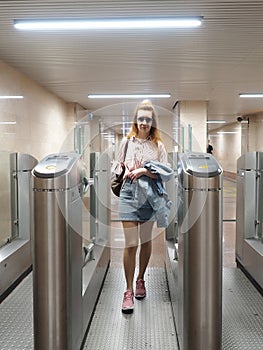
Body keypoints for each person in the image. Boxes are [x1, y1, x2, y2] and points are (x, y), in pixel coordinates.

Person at [115, 100, 173, 313]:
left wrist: (144, 172)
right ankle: (128, 290)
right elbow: (117, 166)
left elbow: (166, 172)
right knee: (130, 244)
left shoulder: (158, 145)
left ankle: (141, 280)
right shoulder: (126, 142)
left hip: (149, 196)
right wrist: (124, 167)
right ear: (135, 120)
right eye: (141, 118)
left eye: (148, 119)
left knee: (145, 241)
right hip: (129, 194)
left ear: (153, 122)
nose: (144, 122)